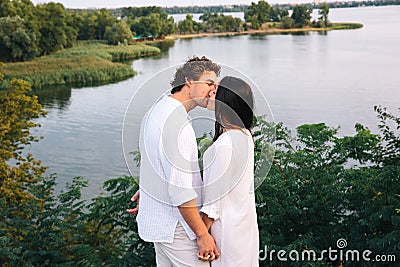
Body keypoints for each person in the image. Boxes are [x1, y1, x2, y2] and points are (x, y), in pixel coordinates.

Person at [129, 56, 221, 266]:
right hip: (178, 229)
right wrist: (202, 235)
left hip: (161, 227)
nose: (214, 91)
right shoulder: (177, 124)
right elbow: (180, 191)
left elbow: (155, 159)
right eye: (209, 83)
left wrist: (151, 187)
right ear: (189, 80)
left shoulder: (158, 109)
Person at [200, 76, 259, 266]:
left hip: (226, 231)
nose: (210, 92)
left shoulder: (226, 145)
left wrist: (201, 235)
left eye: (215, 91)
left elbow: (214, 200)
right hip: (243, 224)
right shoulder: (245, 135)